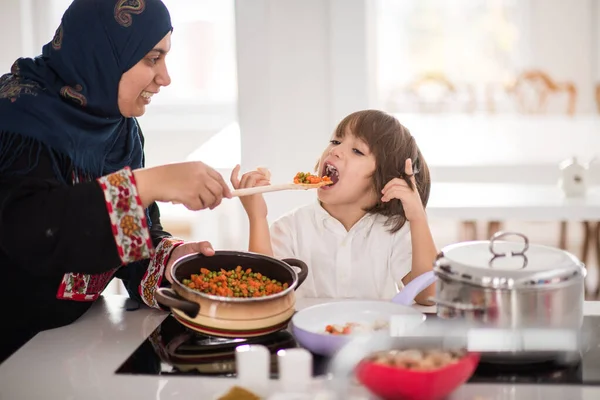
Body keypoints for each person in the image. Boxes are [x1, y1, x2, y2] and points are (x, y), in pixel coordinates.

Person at [0, 0, 231, 363]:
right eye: (152, 59)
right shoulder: (16, 118)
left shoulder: (120, 129)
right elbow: (32, 233)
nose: (165, 77)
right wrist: (147, 184)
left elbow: (127, 240)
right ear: (102, 53)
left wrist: (168, 259)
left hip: (78, 342)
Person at [231, 110, 437, 304]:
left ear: (384, 181)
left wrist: (418, 218)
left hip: (373, 338)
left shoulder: (394, 231)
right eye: (335, 141)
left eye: (357, 150)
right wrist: (257, 217)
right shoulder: (291, 228)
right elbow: (264, 292)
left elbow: (428, 296)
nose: (335, 151)